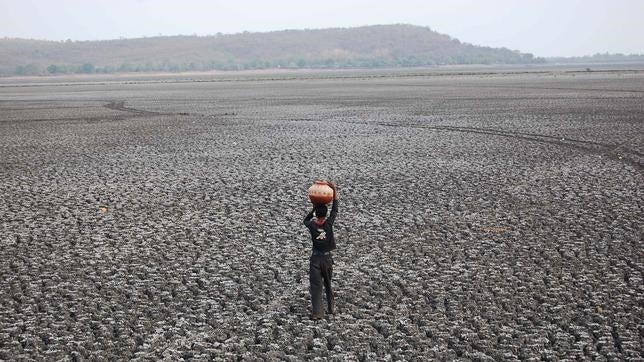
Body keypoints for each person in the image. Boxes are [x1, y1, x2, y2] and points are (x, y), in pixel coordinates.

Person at [303, 181, 338, 320]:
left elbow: (305, 220)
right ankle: (331, 308)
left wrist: (313, 208)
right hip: (327, 258)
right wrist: (334, 191)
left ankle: (317, 313)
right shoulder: (329, 224)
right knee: (328, 283)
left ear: (316, 214)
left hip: (315, 259)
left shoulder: (312, 225)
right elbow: (335, 210)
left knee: (316, 285)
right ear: (326, 214)